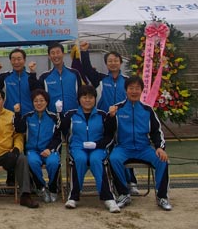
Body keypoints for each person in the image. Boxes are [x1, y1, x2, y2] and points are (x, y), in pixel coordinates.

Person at [79, 40, 138, 195]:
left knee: (126, 149)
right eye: (110, 61)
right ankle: (115, 182)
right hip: (106, 122)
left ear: (120, 62)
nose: (113, 63)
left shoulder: (128, 81)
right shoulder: (101, 79)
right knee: (110, 151)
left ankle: (131, 182)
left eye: (115, 61)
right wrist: (84, 52)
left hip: (124, 121)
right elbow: (86, 70)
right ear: (106, 64)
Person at [108, 76, 173, 211]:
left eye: (137, 88)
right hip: (123, 148)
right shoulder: (117, 109)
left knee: (162, 160)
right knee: (113, 159)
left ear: (142, 90)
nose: (134, 91)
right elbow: (108, 131)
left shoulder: (147, 110)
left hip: (144, 148)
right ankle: (123, 194)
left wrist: (160, 148)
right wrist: (110, 117)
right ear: (126, 90)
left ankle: (162, 197)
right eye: (131, 88)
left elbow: (156, 132)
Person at [60, 85, 119, 213]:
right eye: (84, 97)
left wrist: (97, 144)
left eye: (91, 97)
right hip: (77, 148)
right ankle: (73, 196)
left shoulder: (103, 115)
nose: (88, 100)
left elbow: (110, 135)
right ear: (79, 99)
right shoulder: (71, 115)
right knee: (80, 159)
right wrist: (59, 113)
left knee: (95, 160)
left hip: (97, 148)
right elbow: (63, 130)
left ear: (95, 99)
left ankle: (108, 198)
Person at [14, 89, 62, 203]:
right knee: (32, 162)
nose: (39, 103)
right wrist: (17, 114)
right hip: (33, 151)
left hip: (49, 150)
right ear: (32, 103)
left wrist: (49, 149)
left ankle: (53, 188)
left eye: (42, 100)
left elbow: (58, 137)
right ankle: (41, 187)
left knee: (53, 162)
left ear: (47, 102)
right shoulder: (28, 117)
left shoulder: (53, 117)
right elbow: (19, 129)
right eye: (36, 101)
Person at [0, 48, 39, 114]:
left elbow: (37, 92)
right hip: (9, 115)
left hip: (29, 115)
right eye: (13, 59)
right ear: (10, 61)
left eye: (19, 59)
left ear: (24, 60)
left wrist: (33, 72)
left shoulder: (31, 76)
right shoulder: (5, 76)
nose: (16, 62)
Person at [37, 43, 83, 113]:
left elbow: (81, 94)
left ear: (63, 54)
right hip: (53, 117)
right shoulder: (44, 77)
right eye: (52, 53)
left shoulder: (74, 73)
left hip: (73, 116)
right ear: (49, 56)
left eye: (58, 52)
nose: (56, 55)